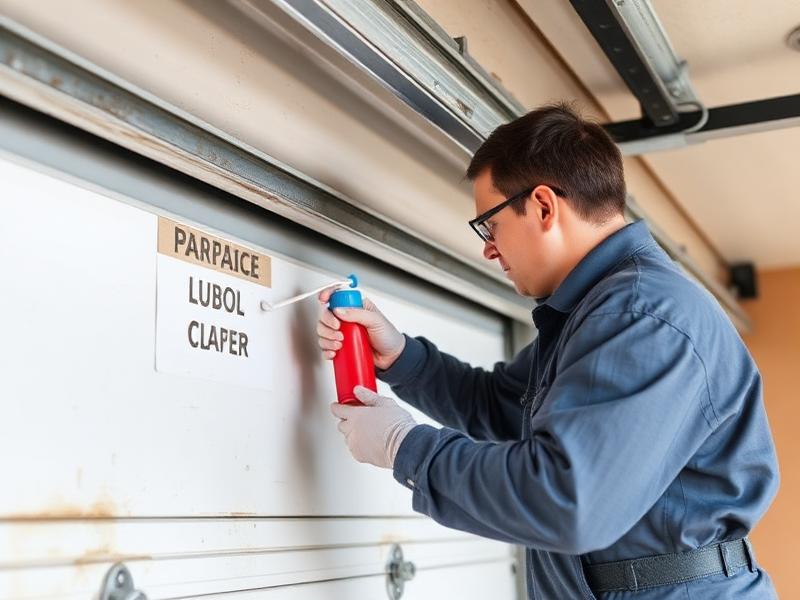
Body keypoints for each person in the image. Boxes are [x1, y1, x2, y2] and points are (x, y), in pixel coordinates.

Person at [316, 103, 779, 599]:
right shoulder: (597, 312)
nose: (488, 249)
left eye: (490, 225)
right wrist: (402, 358)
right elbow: (499, 405)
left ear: (542, 206)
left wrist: (404, 447)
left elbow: (570, 502)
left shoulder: (639, 315)